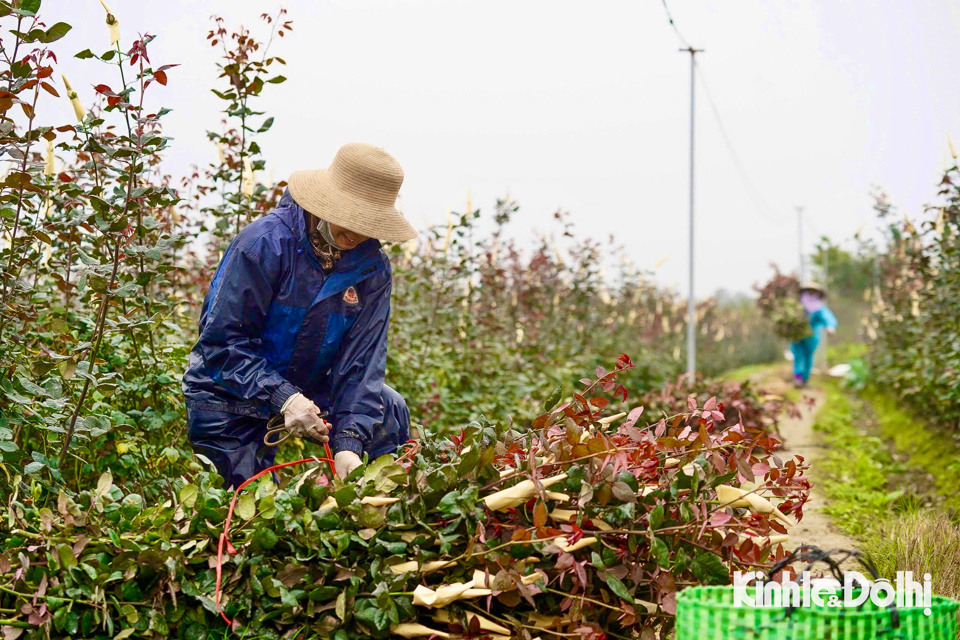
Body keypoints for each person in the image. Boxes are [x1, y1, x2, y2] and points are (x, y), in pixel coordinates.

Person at [182, 142, 417, 487]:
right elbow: (222, 346)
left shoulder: (372, 269)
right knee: (251, 507)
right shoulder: (263, 244)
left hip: (309, 385)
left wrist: (349, 442)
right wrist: (285, 399)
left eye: (367, 221)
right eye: (350, 217)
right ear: (326, 202)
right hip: (228, 393)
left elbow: (363, 364)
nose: (357, 233)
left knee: (388, 407)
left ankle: (382, 503)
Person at [790, 282, 837, 387]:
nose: (810, 294)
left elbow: (827, 317)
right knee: (798, 356)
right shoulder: (797, 307)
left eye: (813, 292)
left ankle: (805, 379)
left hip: (811, 337)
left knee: (808, 358)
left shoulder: (819, 308)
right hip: (797, 336)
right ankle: (798, 378)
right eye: (808, 292)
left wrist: (830, 326)